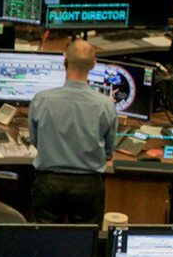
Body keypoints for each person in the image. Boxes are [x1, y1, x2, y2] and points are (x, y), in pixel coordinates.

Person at [28, 40, 117, 224]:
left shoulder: (41, 100)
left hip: (49, 184)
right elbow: (108, 152)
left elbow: (36, 141)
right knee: (86, 245)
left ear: (64, 63)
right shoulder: (105, 105)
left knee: (46, 243)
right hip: (89, 187)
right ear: (93, 64)